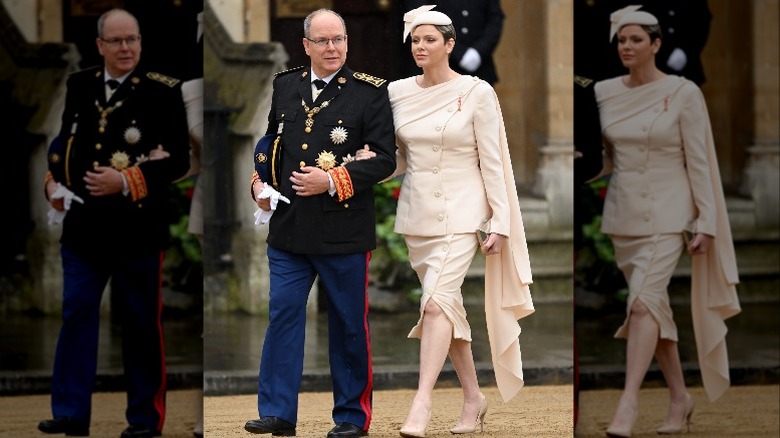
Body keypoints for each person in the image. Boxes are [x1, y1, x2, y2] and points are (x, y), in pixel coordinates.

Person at [587, 6, 740, 437]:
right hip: (624, 215)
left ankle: (628, 402)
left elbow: (700, 160)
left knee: (640, 304)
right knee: (651, 310)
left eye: (637, 40)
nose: (627, 47)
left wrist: (706, 221)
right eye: (622, 40)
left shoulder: (684, 92)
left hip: (671, 214)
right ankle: (679, 397)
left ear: (656, 44)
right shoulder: (602, 92)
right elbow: (607, 160)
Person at [243, 8, 396, 438]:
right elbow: (271, 142)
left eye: (339, 40)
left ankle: (351, 417)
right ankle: (277, 412)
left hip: (344, 230)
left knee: (348, 324)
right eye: (324, 41)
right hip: (289, 229)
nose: (333, 48)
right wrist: (258, 184)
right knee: (283, 316)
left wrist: (331, 180)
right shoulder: (285, 84)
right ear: (306, 45)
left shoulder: (369, 93)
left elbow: (385, 160)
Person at [39, 8, 191, 438]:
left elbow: (178, 159)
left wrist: (126, 180)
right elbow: (64, 142)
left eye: (133, 40)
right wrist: (52, 181)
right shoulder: (79, 84)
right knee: (77, 316)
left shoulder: (162, 91)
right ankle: (70, 412)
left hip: (137, 231)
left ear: (140, 42)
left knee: (141, 325)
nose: (126, 48)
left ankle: (144, 420)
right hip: (83, 228)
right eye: (117, 41)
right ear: (100, 45)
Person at [384, 6, 535, 437]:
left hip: (464, 212)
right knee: (444, 309)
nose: (421, 47)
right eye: (415, 39)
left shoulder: (477, 91)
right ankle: (473, 396)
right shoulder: (396, 92)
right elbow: (398, 159)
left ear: (450, 44)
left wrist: (501, 221)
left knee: (434, 304)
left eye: (430, 39)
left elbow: (493, 160)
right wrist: (365, 166)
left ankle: (422, 403)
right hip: (418, 216)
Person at [402, 0, 504, 85]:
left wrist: (478, 52)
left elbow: (495, 18)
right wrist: (458, 52)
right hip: (435, 69)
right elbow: (421, 15)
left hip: (480, 69)